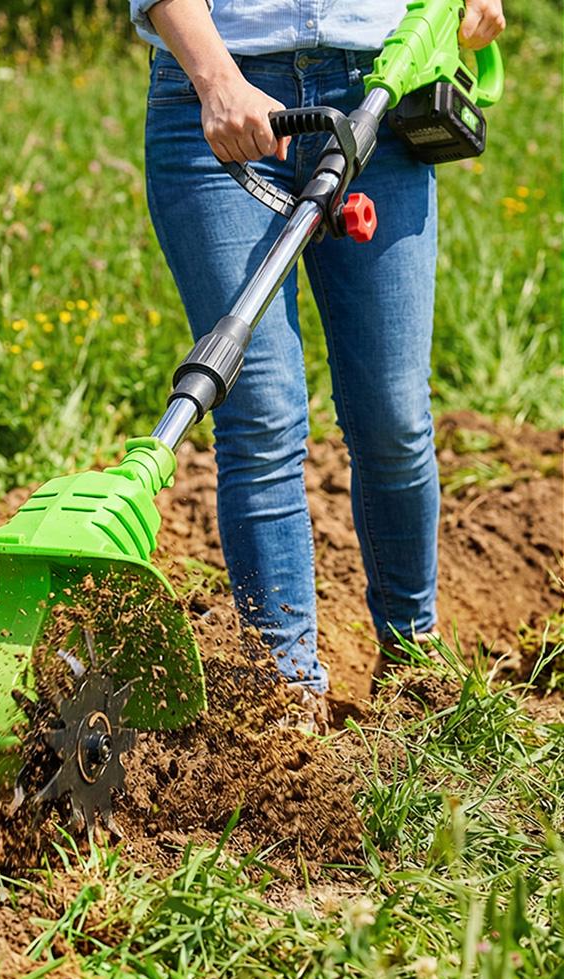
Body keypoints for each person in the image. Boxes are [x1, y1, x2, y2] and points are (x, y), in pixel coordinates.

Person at [132, 0, 505, 723]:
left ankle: (414, 669)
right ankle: (287, 704)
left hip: (381, 87)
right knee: (260, 414)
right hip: (216, 97)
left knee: (393, 417)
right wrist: (215, 79)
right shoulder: (214, 86)